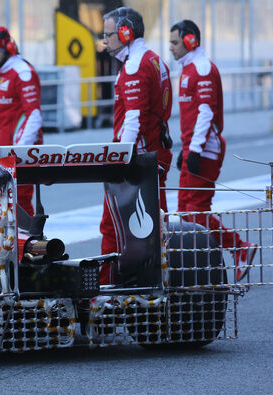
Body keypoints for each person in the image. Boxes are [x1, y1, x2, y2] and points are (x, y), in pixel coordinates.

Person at [170, 20, 256, 282]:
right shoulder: (188, 68)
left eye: (175, 42)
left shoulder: (203, 68)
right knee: (185, 212)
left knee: (195, 213)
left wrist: (194, 150)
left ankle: (240, 247)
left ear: (190, 41)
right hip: (195, 147)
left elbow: (206, 112)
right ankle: (196, 266)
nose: (171, 48)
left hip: (205, 149)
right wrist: (185, 149)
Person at [98, 7, 173, 283]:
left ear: (126, 32)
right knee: (157, 229)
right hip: (155, 156)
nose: (104, 41)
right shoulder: (154, 60)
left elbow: (133, 119)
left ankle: (105, 294)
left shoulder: (134, 64)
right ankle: (158, 285)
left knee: (111, 228)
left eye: (108, 35)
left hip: (137, 162)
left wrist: (120, 160)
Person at [0, 26, 42, 216]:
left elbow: (34, 115)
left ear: (9, 48)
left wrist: (20, 150)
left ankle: (30, 242)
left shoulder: (23, 73)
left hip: (19, 151)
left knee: (21, 200)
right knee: (4, 201)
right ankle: (11, 243)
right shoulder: (0, 73)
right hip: (3, 150)